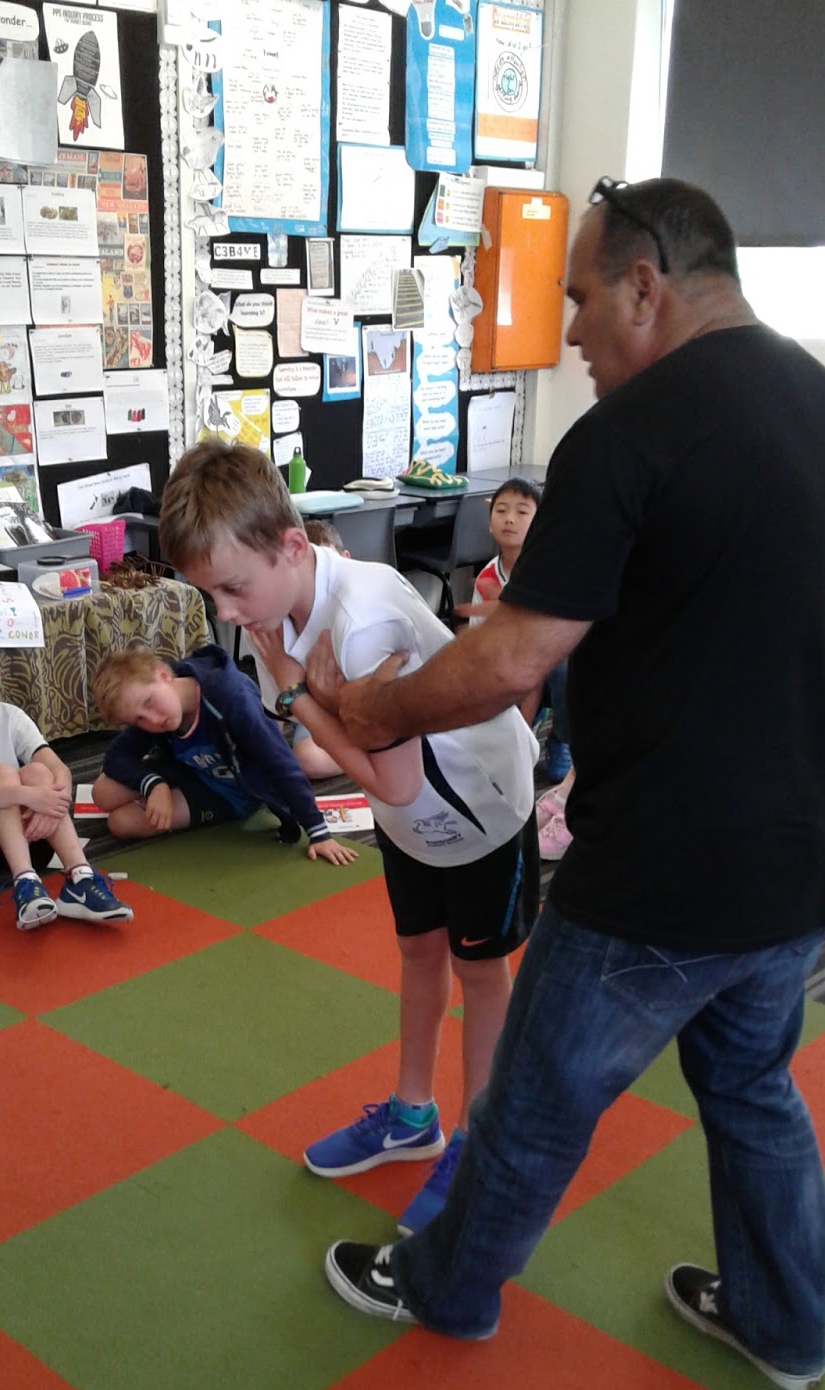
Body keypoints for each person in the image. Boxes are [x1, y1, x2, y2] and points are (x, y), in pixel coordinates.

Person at [315, 177, 825, 1390]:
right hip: (818, 842)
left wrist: (378, 708)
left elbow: (512, 658)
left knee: (535, 1095)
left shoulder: (631, 432)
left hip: (671, 862)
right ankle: (784, 1324)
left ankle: (445, 1286)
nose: (569, 330)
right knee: (751, 1085)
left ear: (644, 284)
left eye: (579, 298)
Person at [159, 441, 540, 1234]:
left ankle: (476, 1146)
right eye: (210, 594)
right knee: (418, 952)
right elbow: (379, 773)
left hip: (478, 802)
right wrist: (307, 693)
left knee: (480, 973)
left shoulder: (362, 623)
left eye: (233, 588)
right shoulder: (283, 603)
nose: (225, 613)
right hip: (410, 813)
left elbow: (385, 777)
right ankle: (412, 1114)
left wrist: (297, 694)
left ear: (291, 546)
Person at [0, 628, 132, 930]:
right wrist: (29, 797)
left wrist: (50, 804)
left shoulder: (10, 716)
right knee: (4, 775)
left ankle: (80, 876)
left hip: (24, 840)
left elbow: (61, 771)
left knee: (39, 773)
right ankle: (25, 883)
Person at [90, 643, 357, 868]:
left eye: (149, 702)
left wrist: (318, 832)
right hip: (191, 769)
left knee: (121, 823)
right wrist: (153, 785)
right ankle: (160, 787)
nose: (152, 719)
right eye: (138, 719)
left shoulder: (230, 698)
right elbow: (116, 757)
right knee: (102, 792)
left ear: (163, 674)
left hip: (232, 791)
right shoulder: (159, 710)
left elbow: (280, 763)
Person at [468, 477, 573, 858]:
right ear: (490, 522)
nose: (509, 519)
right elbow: (481, 642)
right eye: (501, 511)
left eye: (522, 511)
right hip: (512, 662)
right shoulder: (486, 578)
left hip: (553, 662)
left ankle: (560, 739)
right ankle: (516, 738)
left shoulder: (551, 571)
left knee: (560, 669)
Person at [250, 520, 348, 781]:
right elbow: (276, 707)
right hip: (311, 716)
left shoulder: (351, 612)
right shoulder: (269, 626)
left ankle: (363, 756)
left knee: (308, 758)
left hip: (360, 717)